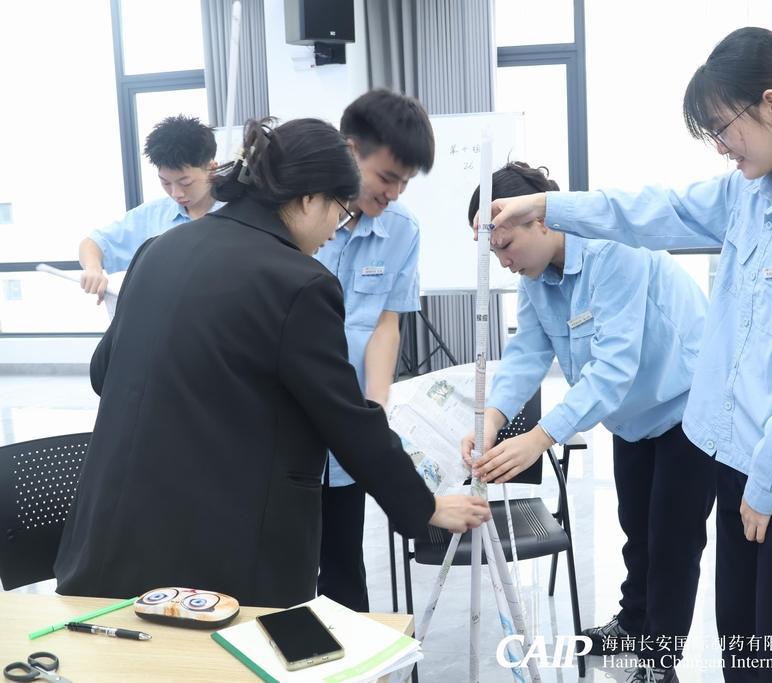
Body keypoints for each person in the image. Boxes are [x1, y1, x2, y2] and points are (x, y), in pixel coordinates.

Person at [483, 28, 772, 683]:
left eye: (722, 128)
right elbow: (650, 210)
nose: (721, 148)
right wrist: (545, 203)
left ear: (771, 106)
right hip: (735, 456)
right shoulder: (746, 196)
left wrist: (766, 485)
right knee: (741, 648)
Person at [54, 117, 490, 609]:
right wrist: (423, 506)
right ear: (309, 200)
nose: (334, 232)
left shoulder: (156, 251)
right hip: (218, 553)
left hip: (111, 535)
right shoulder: (299, 282)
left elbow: (103, 373)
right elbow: (345, 418)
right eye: (339, 212)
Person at [463, 162, 713, 683]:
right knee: (637, 530)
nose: (504, 262)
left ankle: (658, 662)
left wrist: (540, 437)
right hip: (631, 415)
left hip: (689, 404)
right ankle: (634, 623)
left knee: (672, 541)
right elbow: (529, 352)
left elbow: (614, 368)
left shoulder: (612, 249)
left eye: (506, 245)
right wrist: (493, 418)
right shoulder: (535, 276)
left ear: (540, 219)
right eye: (493, 254)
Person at [313, 89, 434, 611]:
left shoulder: (402, 231)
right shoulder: (303, 217)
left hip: (348, 421)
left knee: (343, 563)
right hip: (287, 422)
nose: (395, 193)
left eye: (405, 182)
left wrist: (377, 405)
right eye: (387, 177)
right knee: (280, 568)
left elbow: (387, 324)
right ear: (351, 150)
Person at [79, 115, 221, 303]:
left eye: (185, 182)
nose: (176, 193)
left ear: (212, 168)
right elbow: (93, 243)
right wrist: (93, 269)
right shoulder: (152, 216)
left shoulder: (238, 213)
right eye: (165, 183)